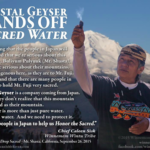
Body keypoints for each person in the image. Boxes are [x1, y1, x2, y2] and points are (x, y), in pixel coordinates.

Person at [71, 25, 150, 150]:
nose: (124, 64)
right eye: (122, 59)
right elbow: (82, 76)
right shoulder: (104, 87)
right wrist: (79, 48)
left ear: (140, 69)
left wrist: (148, 124)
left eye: (130, 62)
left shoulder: (148, 91)